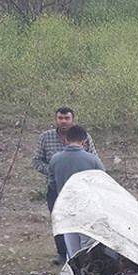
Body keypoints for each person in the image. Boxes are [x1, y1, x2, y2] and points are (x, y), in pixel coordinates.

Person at [32, 107, 97, 261]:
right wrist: (56, 170)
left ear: (72, 120)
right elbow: (36, 161)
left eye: (66, 118)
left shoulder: (83, 136)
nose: (63, 121)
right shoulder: (46, 137)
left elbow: (94, 159)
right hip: (57, 187)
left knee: (82, 223)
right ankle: (63, 254)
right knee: (60, 221)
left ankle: (83, 256)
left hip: (81, 189)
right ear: (56, 119)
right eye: (60, 118)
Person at [48, 125, 106, 259]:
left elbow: (52, 183)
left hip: (65, 207)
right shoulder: (93, 160)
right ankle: (87, 272)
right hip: (86, 207)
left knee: (71, 244)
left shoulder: (55, 159)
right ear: (84, 142)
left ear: (66, 141)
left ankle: (73, 270)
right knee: (87, 243)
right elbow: (103, 183)